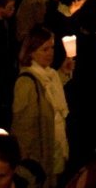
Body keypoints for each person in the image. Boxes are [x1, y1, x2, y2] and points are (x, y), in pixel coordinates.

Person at [12, 26, 74, 184]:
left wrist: (63, 73)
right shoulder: (27, 81)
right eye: (44, 49)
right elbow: (24, 128)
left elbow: (51, 95)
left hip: (56, 147)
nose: (50, 53)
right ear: (31, 52)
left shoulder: (50, 74)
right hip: (41, 155)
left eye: (52, 47)